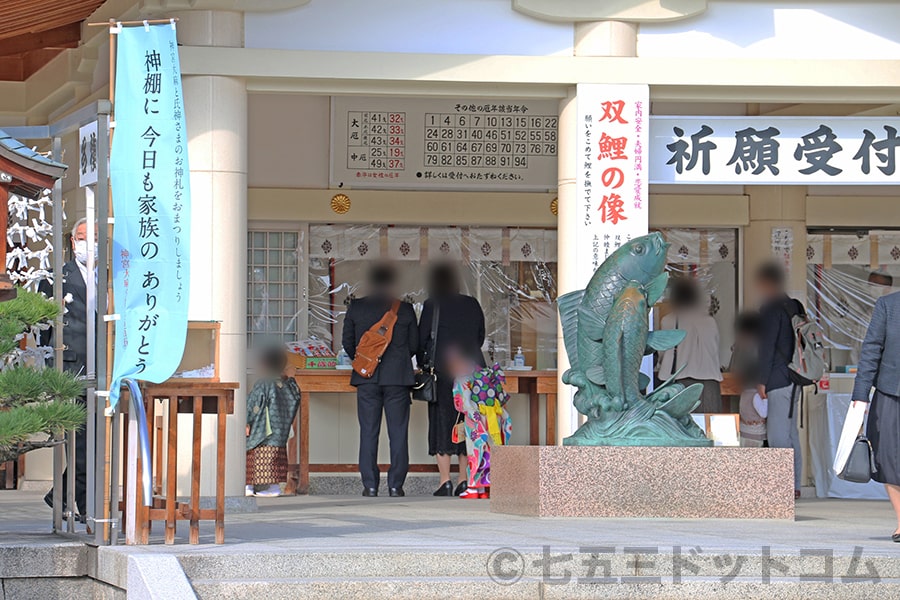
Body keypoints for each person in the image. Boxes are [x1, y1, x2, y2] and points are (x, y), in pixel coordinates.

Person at [342, 263, 418, 497]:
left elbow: (348, 343)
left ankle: (370, 485)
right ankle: (396, 486)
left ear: (371, 282)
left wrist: (368, 360)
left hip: (367, 378)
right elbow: (414, 346)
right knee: (398, 433)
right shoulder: (404, 309)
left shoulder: (356, 307)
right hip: (397, 379)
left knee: (368, 432)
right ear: (392, 282)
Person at [40, 218, 95, 521]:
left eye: (97, 238)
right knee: (81, 442)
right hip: (70, 371)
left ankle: (58, 495)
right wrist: (51, 373)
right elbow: (43, 333)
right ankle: (86, 509)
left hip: (101, 370)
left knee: (91, 441)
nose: (91, 244)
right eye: (86, 238)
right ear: (74, 242)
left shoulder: (109, 277)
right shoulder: (55, 278)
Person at [418, 263, 486, 497]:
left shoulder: (432, 305)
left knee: (441, 422)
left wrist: (422, 363)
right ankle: (464, 479)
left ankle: (445, 480)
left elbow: (421, 340)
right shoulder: (472, 304)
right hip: (471, 371)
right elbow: (480, 336)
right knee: (469, 422)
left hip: (442, 372)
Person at [851, 289, 900, 541]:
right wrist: (860, 395)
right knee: (888, 459)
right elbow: (871, 350)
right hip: (891, 391)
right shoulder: (888, 305)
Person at [755, 261, 804, 498]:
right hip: (796, 377)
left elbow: (767, 346)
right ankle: (794, 484)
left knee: (777, 434)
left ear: (766, 283)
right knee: (791, 432)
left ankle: (782, 487)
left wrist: (762, 380)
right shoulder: (795, 306)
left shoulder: (770, 308)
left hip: (778, 378)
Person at [450, 351, 511, 499]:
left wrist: (473, 415)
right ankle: (485, 488)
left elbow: (462, 403)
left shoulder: (462, 379)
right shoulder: (486, 375)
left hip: (475, 418)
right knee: (490, 451)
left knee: (475, 452)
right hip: (492, 417)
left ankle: (472, 488)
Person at [657, 277, 723, 413]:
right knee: (708, 430)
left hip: (679, 384)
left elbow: (663, 354)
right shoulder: (710, 322)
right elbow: (715, 350)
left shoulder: (668, 321)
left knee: (679, 430)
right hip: (709, 384)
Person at [245, 345, 301, 497]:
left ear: (264, 365)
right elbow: (294, 400)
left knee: (253, 456)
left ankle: (248, 486)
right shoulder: (289, 385)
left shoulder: (263, 383)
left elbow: (253, 404)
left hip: (263, 429)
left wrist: (247, 420)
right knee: (275, 458)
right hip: (280, 430)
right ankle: (273, 487)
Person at [730, 312, 766, 447]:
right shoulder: (757, 345)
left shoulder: (749, 346)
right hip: (753, 392)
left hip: (751, 392)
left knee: (749, 434)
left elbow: (738, 370)